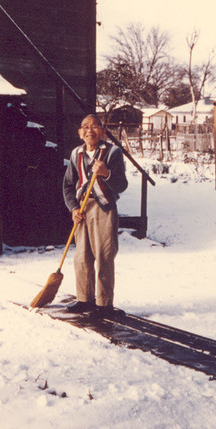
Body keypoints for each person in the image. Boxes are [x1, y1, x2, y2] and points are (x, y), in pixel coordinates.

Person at [63, 114, 128, 317]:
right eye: (85, 127)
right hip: (82, 209)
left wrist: (106, 173)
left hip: (104, 208)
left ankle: (104, 304)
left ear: (103, 131)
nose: (89, 130)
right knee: (81, 256)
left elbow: (122, 185)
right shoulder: (76, 154)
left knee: (104, 255)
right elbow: (67, 185)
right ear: (80, 133)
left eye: (94, 126)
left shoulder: (113, 153)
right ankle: (84, 299)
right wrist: (73, 208)